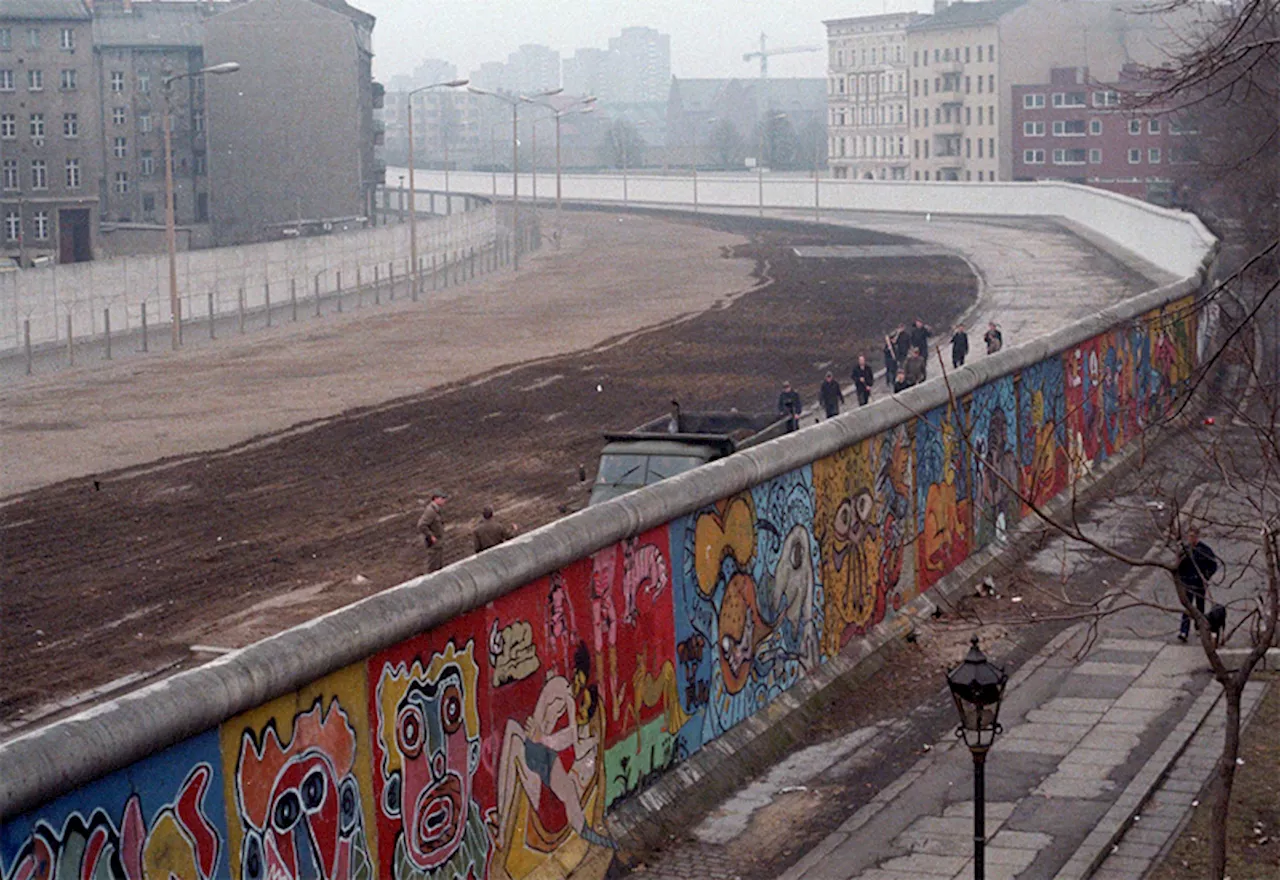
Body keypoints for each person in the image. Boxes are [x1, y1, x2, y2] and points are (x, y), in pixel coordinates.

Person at [1175, 526, 1219, 642]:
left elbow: (1213, 565)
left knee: (1200, 607)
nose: (1191, 539)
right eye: (1189, 536)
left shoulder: (1204, 550)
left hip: (1199, 582)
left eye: (1193, 536)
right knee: (1188, 606)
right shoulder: (1185, 550)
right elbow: (1178, 565)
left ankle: (1199, 627)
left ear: (1197, 537)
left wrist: (1206, 576)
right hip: (1188, 582)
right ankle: (1184, 631)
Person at [417, 490, 449, 572]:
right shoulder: (430, 511)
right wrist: (431, 536)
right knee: (433, 566)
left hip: (438, 542)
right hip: (434, 543)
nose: (444, 501)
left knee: (438, 565)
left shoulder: (436, 509)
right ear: (436, 499)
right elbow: (421, 525)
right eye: (442, 499)